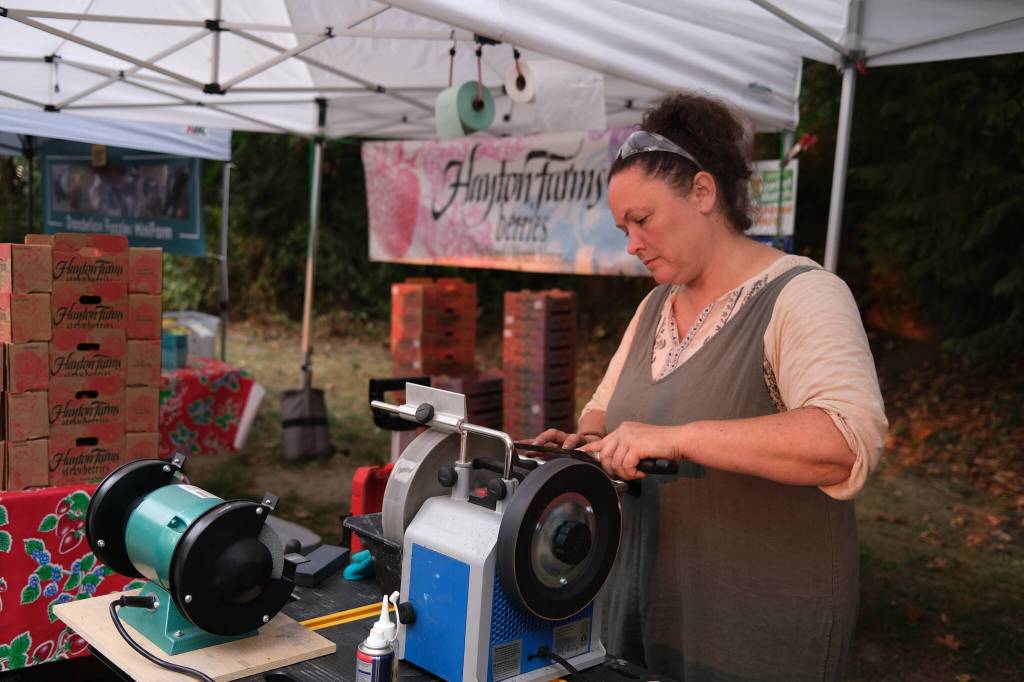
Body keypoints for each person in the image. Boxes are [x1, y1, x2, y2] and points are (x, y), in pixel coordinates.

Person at [533, 92, 888, 681]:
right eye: (623, 228)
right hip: (641, 617)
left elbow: (844, 442)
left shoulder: (804, 295)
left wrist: (680, 438)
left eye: (642, 221)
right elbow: (605, 412)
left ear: (703, 192)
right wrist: (581, 447)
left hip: (750, 634)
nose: (632, 245)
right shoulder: (654, 307)